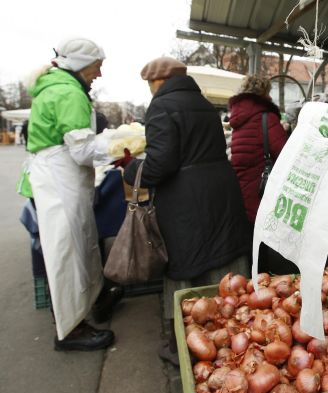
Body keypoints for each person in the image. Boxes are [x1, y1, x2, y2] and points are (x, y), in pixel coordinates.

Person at [121, 57, 251, 365]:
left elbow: (161, 162)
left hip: (185, 198)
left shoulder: (162, 106)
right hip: (220, 190)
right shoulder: (204, 104)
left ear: (157, 82)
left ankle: (184, 341)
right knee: (222, 258)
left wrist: (132, 170)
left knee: (185, 261)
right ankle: (229, 328)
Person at [26, 37, 115, 351]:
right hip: (59, 180)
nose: (99, 74)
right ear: (79, 64)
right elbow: (82, 150)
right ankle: (70, 330)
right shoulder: (67, 92)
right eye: (97, 66)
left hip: (54, 178)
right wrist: (120, 143)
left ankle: (88, 304)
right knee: (66, 253)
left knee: (77, 246)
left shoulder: (58, 86)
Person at [227, 75, 293, 274]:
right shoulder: (266, 117)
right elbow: (283, 152)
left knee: (249, 240)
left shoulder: (239, 118)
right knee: (260, 243)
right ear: (265, 93)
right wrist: (287, 132)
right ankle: (260, 284)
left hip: (241, 187)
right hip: (259, 189)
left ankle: (248, 281)